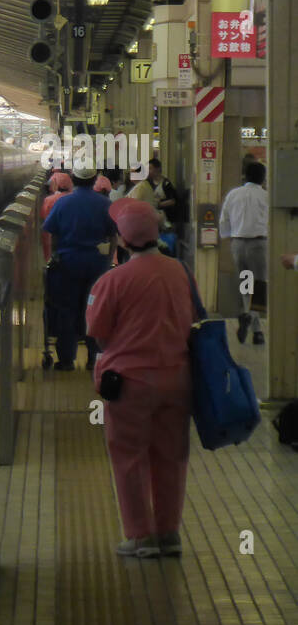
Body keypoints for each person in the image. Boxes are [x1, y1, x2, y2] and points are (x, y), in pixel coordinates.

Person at [86, 199, 196, 558]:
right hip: (177, 377)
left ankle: (139, 536)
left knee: (129, 457)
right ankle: (169, 533)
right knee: (171, 455)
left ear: (122, 240)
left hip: (129, 383)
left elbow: (97, 330)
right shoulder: (179, 270)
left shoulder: (112, 280)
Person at [42, 166, 115, 371]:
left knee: (67, 310)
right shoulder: (105, 203)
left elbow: (51, 231)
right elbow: (114, 236)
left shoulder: (63, 202)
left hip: (67, 264)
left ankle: (66, 360)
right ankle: (94, 358)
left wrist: (56, 255)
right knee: (94, 310)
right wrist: (108, 261)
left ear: (73, 179)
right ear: (94, 181)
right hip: (96, 266)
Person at [219, 160, 269, 345]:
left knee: (246, 284)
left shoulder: (233, 195)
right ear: (263, 178)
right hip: (259, 244)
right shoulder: (266, 197)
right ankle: (255, 326)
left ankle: (253, 326)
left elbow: (223, 220)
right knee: (260, 286)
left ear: (245, 176)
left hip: (238, 244)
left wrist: (230, 236)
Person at [41, 172, 73, 260]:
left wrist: (47, 256)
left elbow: (46, 230)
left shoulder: (49, 200)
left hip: (57, 243)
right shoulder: (76, 199)